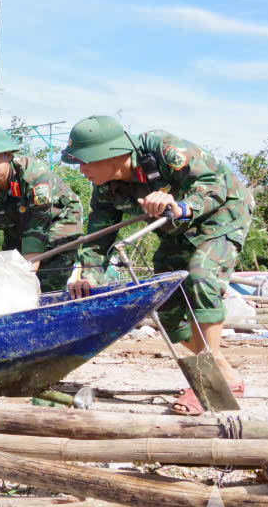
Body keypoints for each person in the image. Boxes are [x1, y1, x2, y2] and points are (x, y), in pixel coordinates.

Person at [61, 115, 254, 415]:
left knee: (201, 275)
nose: (81, 170)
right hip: (176, 230)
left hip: (222, 214)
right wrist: (88, 275)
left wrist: (183, 206)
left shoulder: (161, 149)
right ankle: (223, 372)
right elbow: (99, 238)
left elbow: (213, 184)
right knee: (165, 303)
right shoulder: (105, 189)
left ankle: (208, 382)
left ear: (112, 154)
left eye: (86, 161)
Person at [0, 123, 86, 293]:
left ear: (8, 155)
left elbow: (36, 232)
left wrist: (26, 279)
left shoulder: (33, 175)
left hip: (57, 222)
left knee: (46, 283)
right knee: (8, 278)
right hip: (17, 227)